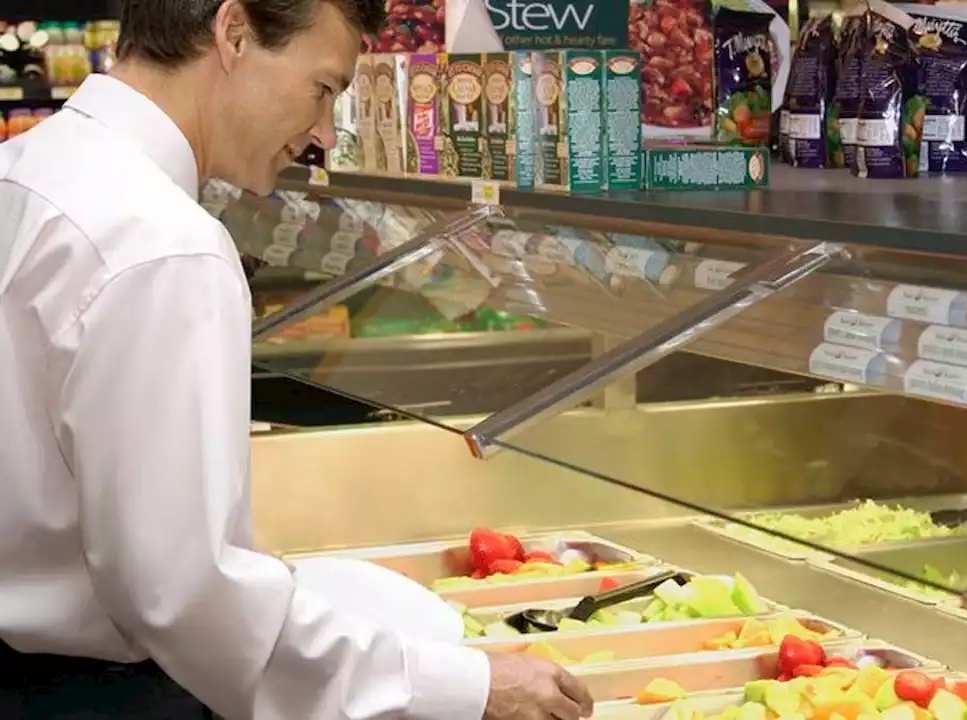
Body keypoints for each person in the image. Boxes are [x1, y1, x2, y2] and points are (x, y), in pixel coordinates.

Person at [0, 1, 594, 718]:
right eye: (324, 89)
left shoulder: (28, 165)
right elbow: (183, 593)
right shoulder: (163, 243)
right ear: (235, 33)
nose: (323, 133)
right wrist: (465, 686)